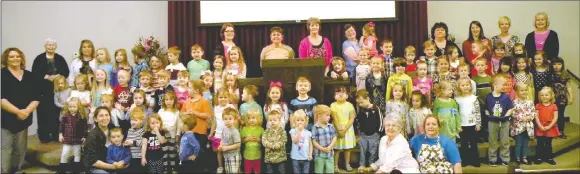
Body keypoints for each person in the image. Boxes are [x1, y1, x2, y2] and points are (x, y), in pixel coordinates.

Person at [1, 48, 41, 173]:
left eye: (18, 56)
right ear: (6, 59)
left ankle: (16, 171)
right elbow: (1, 99)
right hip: (6, 120)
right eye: (11, 56)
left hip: (24, 119)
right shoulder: (2, 75)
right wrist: (18, 112)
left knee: (20, 149)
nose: (15, 59)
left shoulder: (29, 75)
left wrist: (26, 112)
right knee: (6, 149)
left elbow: (37, 96)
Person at [31, 38, 70, 143]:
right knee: (43, 113)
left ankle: (56, 135)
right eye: (49, 45)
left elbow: (66, 71)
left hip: (58, 90)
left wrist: (58, 76)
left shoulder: (60, 58)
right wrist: (47, 77)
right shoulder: (39, 59)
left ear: (55, 46)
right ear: (45, 46)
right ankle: (44, 136)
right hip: (43, 91)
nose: (51, 46)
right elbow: (34, 73)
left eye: (53, 45)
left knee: (56, 113)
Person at [485, 74, 514, 167]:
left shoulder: (505, 97)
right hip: (493, 122)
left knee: (504, 141)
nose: (505, 87)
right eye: (503, 85)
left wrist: (506, 116)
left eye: (506, 85)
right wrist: (488, 115)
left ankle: (505, 158)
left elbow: (510, 108)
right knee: (492, 141)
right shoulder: (489, 97)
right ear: (495, 85)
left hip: (504, 122)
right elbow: (486, 108)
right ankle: (492, 158)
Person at [82, 107, 119, 173]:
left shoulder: (113, 128)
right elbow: (92, 161)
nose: (104, 118)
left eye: (107, 115)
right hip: (95, 167)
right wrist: (113, 166)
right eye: (101, 116)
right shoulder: (92, 135)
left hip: (111, 164)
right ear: (95, 119)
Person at [455, 78, 482, 167]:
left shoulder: (474, 98)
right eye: (463, 85)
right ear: (459, 87)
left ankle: (475, 161)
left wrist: (478, 123)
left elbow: (478, 112)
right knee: (464, 143)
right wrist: (457, 125)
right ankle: (465, 160)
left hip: (473, 124)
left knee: (473, 143)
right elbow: (456, 113)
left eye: (467, 85)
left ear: (470, 86)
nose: (465, 87)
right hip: (462, 125)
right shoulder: (457, 99)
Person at [355, 89, 383, 173]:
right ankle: (362, 165)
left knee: (373, 151)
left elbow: (381, 121)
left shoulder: (376, 108)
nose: (360, 104)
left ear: (367, 98)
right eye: (358, 103)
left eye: (362, 102)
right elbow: (358, 121)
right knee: (362, 151)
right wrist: (359, 132)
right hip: (363, 135)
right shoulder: (361, 110)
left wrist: (378, 132)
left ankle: (371, 165)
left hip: (374, 135)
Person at [58, 97, 89, 173]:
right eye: (70, 107)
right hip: (67, 138)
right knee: (65, 153)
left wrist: (84, 136)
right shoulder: (65, 115)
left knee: (77, 153)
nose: (71, 108)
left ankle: (76, 170)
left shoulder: (81, 116)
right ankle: (62, 170)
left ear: (78, 107)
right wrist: (60, 134)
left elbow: (85, 127)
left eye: (74, 107)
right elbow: (61, 126)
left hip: (77, 139)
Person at [331, 86, 356, 172]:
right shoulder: (333, 105)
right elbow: (334, 118)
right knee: (337, 149)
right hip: (337, 128)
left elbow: (352, 118)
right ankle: (335, 165)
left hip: (348, 129)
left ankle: (347, 164)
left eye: (343, 92)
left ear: (347, 96)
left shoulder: (350, 105)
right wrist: (338, 129)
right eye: (337, 93)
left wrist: (345, 129)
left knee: (347, 148)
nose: (340, 94)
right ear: (334, 96)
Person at [534, 87, 560, 165]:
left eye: (546, 95)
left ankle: (549, 157)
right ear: (539, 97)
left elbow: (555, 118)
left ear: (551, 96)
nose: (544, 97)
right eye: (542, 95)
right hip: (540, 127)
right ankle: (539, 157)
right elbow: (536, 117)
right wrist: (540, 126)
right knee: (540, 143)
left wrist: (549, 126)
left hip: (550, 127)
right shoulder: (538, 105)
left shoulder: (554, 106)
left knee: (548, 144)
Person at [551, 57, 574, 139]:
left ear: (562, 65)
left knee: (560, 115)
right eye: (554, 64)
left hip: (562, 98)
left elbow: (569, 87)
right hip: (552, 98)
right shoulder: (550, 74)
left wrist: (571, 97)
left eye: (559, 64)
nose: (556, 66)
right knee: (552, 116)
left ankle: (561, 131)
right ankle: (553, 131)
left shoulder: (565, 75)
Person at [311, 104, 337, 174]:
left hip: (329, 154)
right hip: (319, 155)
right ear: (319, 116)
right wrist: (322, 149)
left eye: (329, 115)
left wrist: (330, 147)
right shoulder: (315, 128)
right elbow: (314, 141)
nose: (329, 117)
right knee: (319, 171)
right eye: (327, 115)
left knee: (330, 171)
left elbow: (334, 137)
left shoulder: (330, 126)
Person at [240, 109, 265, 174]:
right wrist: (246, 139)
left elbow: (265, 142)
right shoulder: (244, 129)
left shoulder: (261, 129)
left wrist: (259, 140)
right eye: (249, 118)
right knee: (247, 171)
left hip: (257, 155)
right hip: (247, 156)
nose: (251, 120)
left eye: (253, 118)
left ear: (258, 119)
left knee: (257, 171)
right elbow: (241, 141)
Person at [289, 110, 313, 174]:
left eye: (302, 120)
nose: (300, 122)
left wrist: (310, 154)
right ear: (294, 121)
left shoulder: (308, 133)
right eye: (298, 120)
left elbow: (310, 145)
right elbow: (295, 141)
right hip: (296, 158)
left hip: (306, 158)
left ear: (305, 121)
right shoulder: (293, 131)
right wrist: (299, 131)